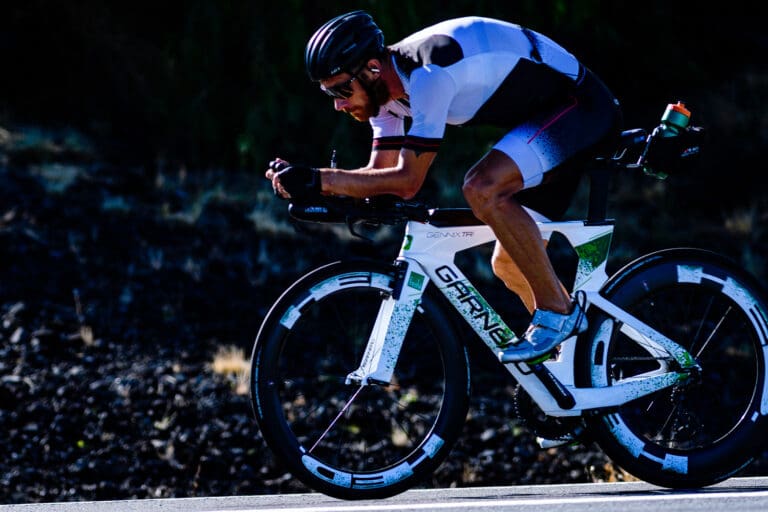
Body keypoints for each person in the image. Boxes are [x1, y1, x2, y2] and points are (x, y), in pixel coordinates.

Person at [266, 11, 622, 363]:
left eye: (342, 89)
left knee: (482, 187)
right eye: (329, 92)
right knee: (510, 264)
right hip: (544, 121)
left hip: (581, 108)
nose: (338, 104)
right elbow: (379, 176)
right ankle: (581, 369)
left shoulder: (427, 76)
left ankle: (558, 313)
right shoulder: (383, 100)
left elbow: (407, 181)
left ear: (372, 69)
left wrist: (320, 179)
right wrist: (312, 187)